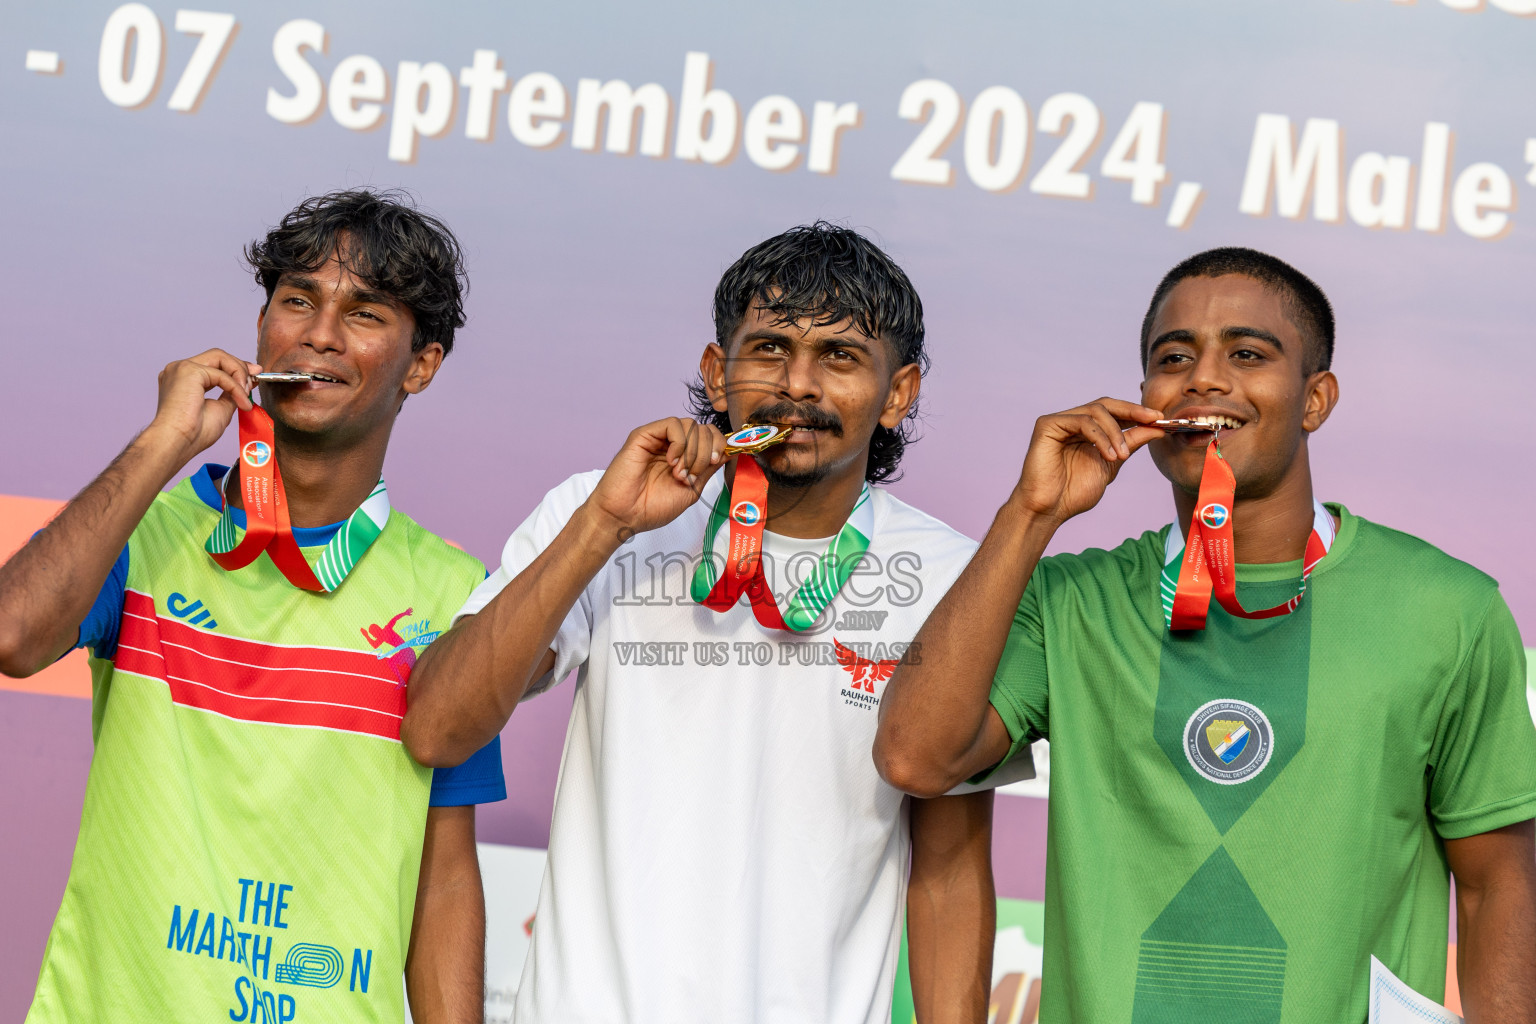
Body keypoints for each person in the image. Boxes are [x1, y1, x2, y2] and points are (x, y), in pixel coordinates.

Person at [873, 247, 1536, 1022]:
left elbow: (1499, 887)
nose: (1204, 379)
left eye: (1248, 354)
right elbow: (917, 758)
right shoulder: (1069, 600)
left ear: (1315, 398)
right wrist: (1031, 514)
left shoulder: (1446, 610)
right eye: (1173, 357)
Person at [402, 223, 1022, 1024]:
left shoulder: (953, 579)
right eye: (767, 349)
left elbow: (948, 871)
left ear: (898, 392)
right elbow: (438, 730)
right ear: (715, 373)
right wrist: (605, 527)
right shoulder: (599, 512)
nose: (796, 384)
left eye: (838, 356)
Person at [0, 189, 506, 1024]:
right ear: (262, 327)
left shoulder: (453, 590)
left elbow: (446, 875)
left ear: (422, 364)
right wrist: (163, 442)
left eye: (366, 313)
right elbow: (14, 635)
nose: (320, 333)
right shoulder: (144, 534)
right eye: (297, 300)